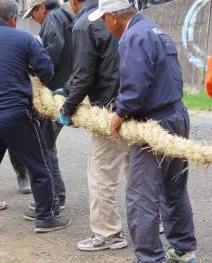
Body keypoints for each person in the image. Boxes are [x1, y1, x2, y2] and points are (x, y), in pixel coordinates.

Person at [88, 0, 198, 262]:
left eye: (104, 19)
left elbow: (134, 88)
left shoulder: (133, 37)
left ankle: (150, 258)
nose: (105, 25)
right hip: (176, 114)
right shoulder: (154, 30)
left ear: (114, 16)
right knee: (174, 188)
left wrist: (118, 116)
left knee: (141, 196)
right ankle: (184, 250)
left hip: (154, 124)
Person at [0, 0, 72, 237]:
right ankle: (45, 218)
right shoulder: (23, 39)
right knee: (39, 166)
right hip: (15, 114)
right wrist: (29, 77)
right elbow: (47, 69)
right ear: (12, 19)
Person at [55, 0, 128, 252]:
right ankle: (155, 221)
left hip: (109, 112)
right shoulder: (124, 18)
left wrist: (66, 108)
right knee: (139, 170)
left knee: (100, 173)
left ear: (75, 2)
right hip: (135, 103)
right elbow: (92, 67)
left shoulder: (84, 25)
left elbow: (85, 74)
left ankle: (108, 234)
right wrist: (66, 88)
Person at [20, 0, 74, 220]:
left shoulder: (52, 19)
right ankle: (57, 194)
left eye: (33, 12)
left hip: (54, 94)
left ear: (41, 7)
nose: (33, 18)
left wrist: (35, 71)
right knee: (47, 145)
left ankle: (51, 199)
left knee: (42, 145)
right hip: (65, 90)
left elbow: (53, 49)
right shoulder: (67, 17)